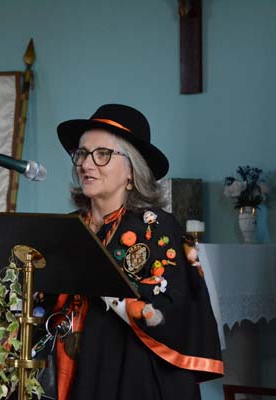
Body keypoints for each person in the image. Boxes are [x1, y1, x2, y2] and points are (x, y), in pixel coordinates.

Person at [50, 104, 223, 400]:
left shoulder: (157, 226)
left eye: (102, 154)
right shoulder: (67, 227)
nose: (86, 164)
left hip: (132, 372)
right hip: (67, 366)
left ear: (132, 170)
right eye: (82, 153)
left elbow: (171, 307)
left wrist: (111, 292)